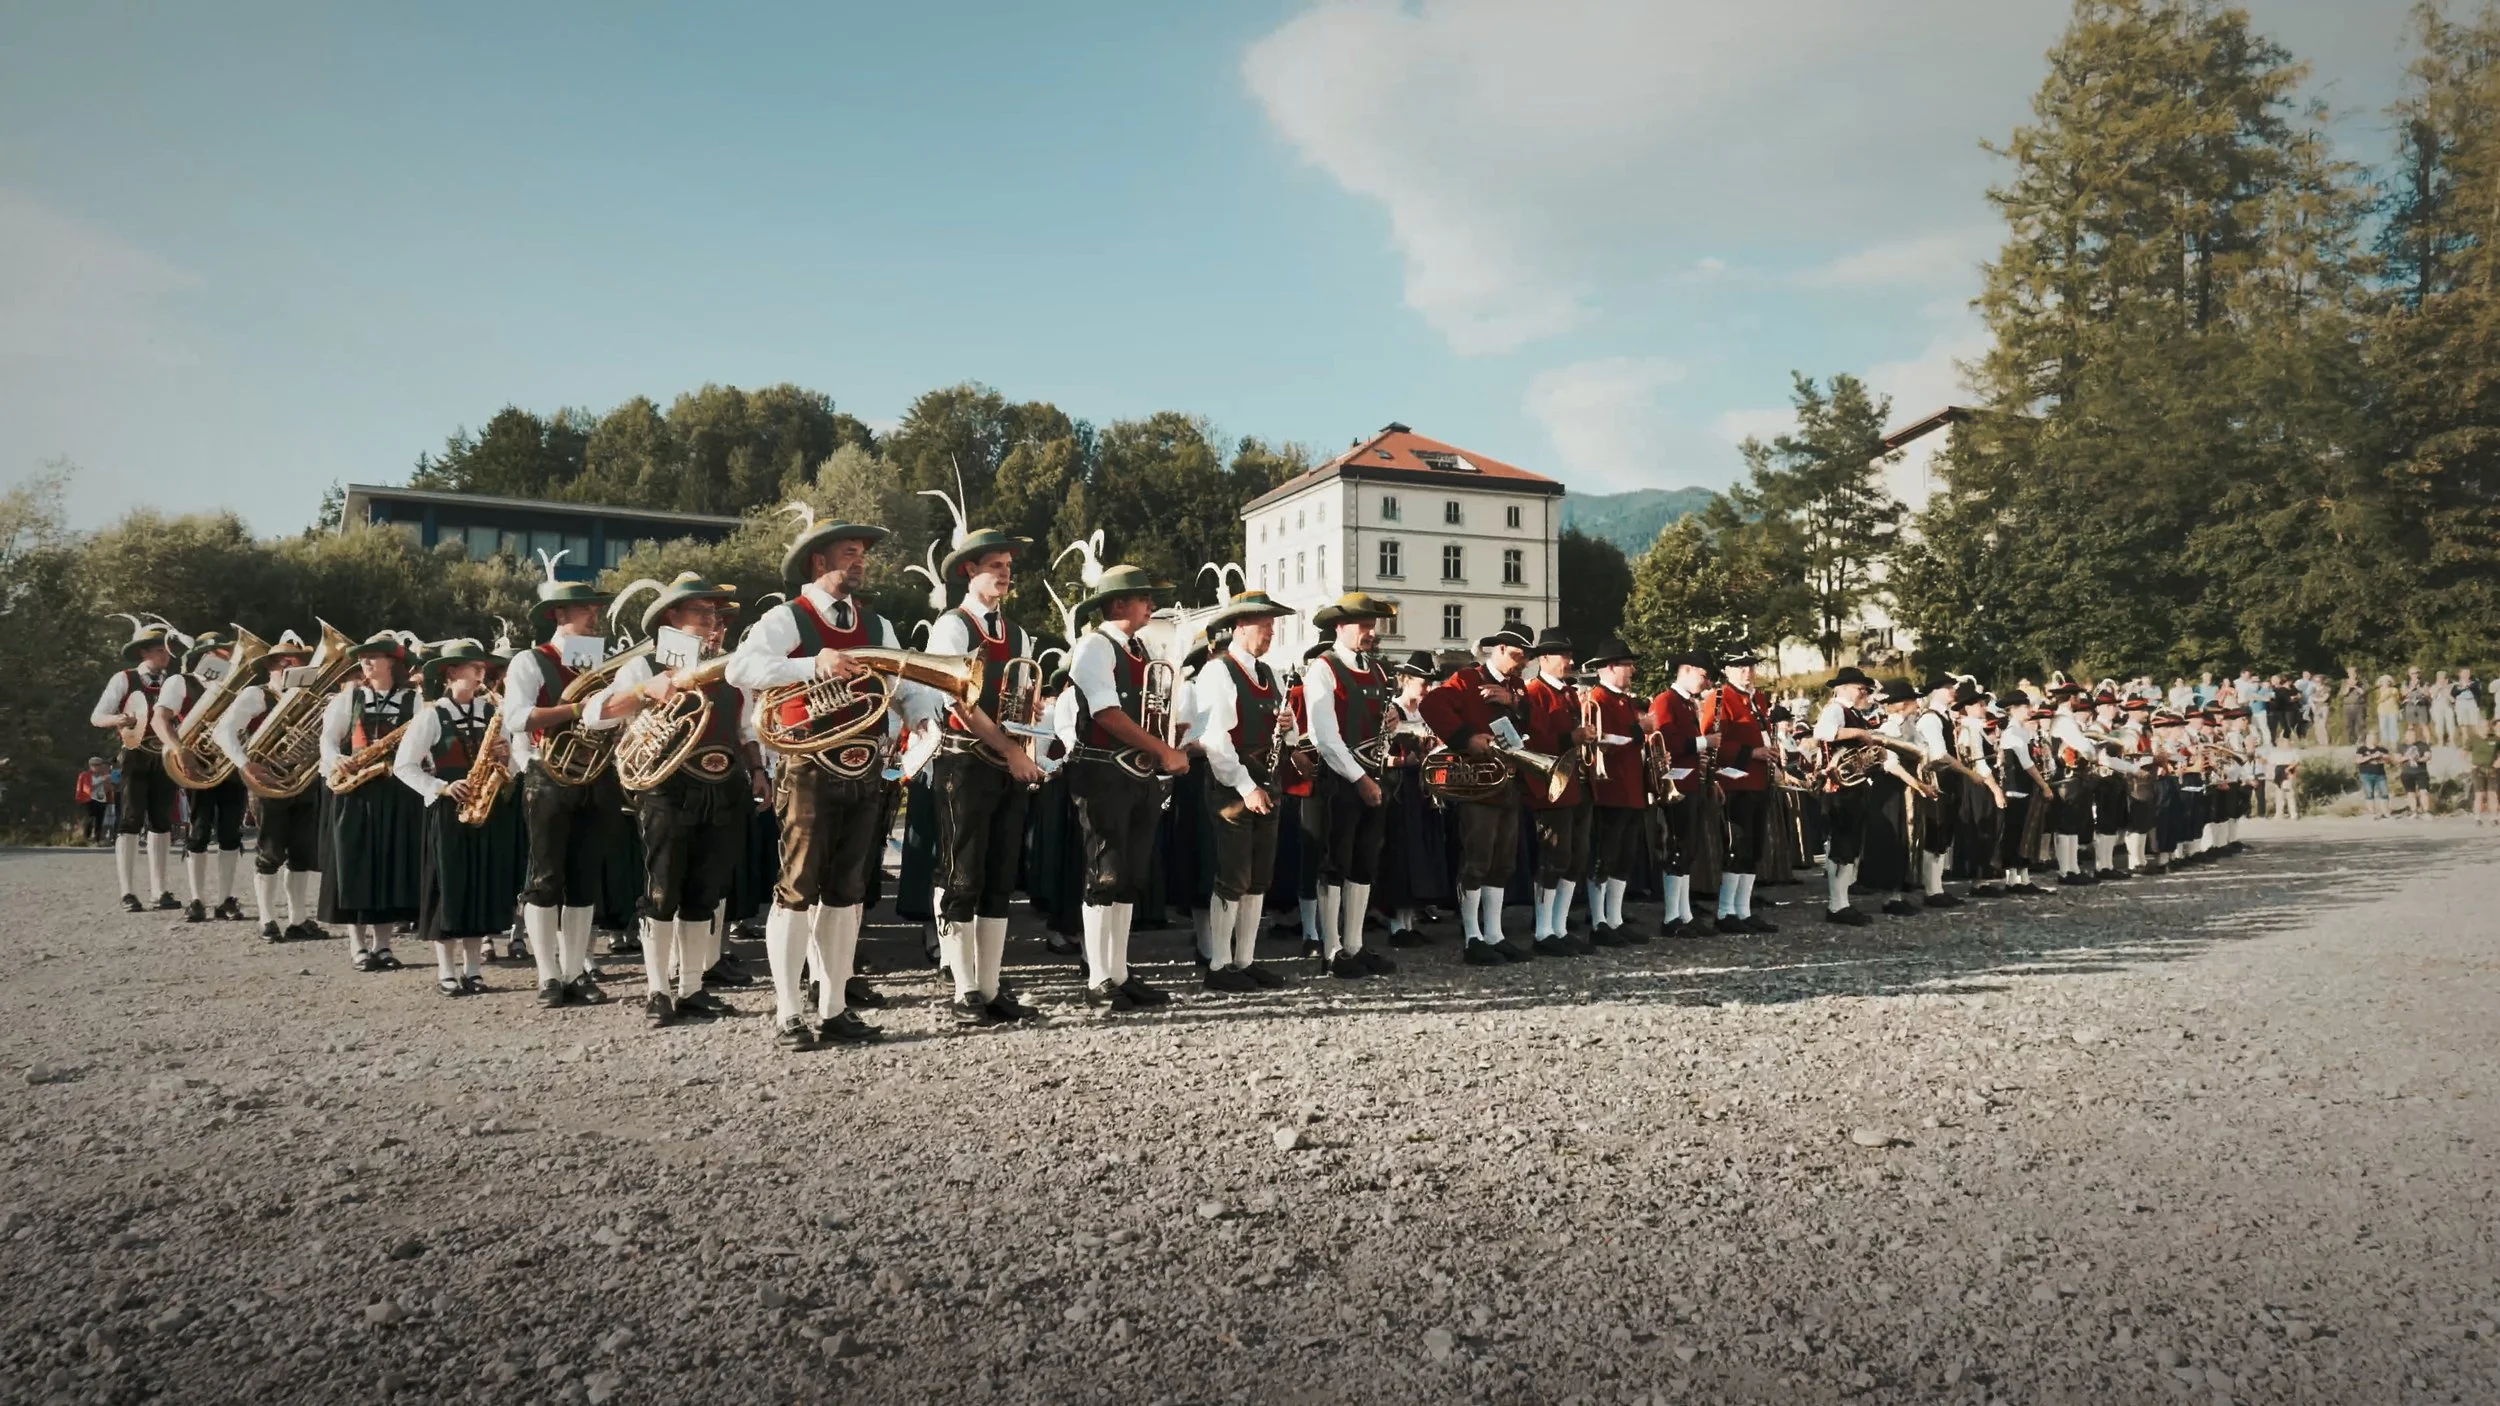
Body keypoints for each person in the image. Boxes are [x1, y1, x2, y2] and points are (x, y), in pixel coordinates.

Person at [727, 515, 949, 1047]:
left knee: (848, 892)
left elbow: (902, 682)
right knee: (797, 887)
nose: (860, 561)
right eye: (850, 552)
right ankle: (788, 1011)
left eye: (861, 553)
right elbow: (740, 670)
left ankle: (833, 1007)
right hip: (806, 763)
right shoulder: (787, 617)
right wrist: (812, 664)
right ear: (818, 560)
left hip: (864, 765)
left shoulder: (877, 625)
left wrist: (922, 717)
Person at [591, 574, 778, 1027]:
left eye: (714, 613)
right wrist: (642, 691)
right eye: (701, 611)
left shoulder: (731, 669)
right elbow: (595, 715)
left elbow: (745, 730)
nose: (711, 620)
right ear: (671, 617)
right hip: (667, 788)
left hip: (724, 785)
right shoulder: (643, 665)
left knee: (704, 891)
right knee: (661, 891)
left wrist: (757, 771)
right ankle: (657, 990)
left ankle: (691, 987)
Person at [916, 530, 1054, 1024]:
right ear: (969, 572)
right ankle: (963, 988)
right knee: (961, 873)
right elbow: (958, 703)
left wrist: (1029, 718)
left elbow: (1020, 697)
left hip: (1005, 762)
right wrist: (1012, 750)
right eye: (994, 565)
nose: (1005, 573)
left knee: (998, 877)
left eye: (1008, 566)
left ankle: (991, 986)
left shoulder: (1019, 634)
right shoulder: (951, 627)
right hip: (965, 762)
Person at [1049, 562, 1190, 1011]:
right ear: (1118, 604)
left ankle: (1118, 972)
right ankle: (1098, 978)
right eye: (1144, 597)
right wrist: (1163, 750)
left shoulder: (1140, 649)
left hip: (1136, 773)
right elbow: (1107, 714)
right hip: (1103, 773)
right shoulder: (1095, 645)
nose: (1151, 604)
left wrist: (1168, 735)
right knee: (1105, 873)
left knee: (1129, 877)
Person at [505, 566, 630, 1009]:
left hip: (598, 774)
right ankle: (548, 974)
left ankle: (575, 971)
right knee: (545, 879)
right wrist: (579, 709)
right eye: (585, 610)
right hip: (549, 774)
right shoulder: (530, 660)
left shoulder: (605, 664)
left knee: (584, 879)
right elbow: (516, 718)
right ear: (560, 615)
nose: (595, 617)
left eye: (595, 609)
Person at [391, 640, 523, 997]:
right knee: (447, 888)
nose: (482, 674)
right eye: (474, 667)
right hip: (448, 809)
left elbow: (513, 769)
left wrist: (507, 755)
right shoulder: (431, 715)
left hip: (486, 808)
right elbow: (403, 766)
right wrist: (441, 787)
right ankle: (446, 971)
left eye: (483, 668)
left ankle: (474, 970)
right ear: (451, 672)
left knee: (479, 886)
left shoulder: (492, 712)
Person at [1190, 590, 1302, 992]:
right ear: (1240, 626)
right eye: (1264, 624)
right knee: (1232, 875)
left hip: (1267, 782)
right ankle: (1219, 963)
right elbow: (1215, 739)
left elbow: (1287, 736)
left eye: (1272, 625)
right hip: (1234, 786)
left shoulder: (1269, 673)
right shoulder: (1218, 671)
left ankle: (1246, 959)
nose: (1271, 631)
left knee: (1259, 877)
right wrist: (1245, 786)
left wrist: (1288, 726)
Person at [1419, 623, 1537, 965]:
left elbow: (1530, 723)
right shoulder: (1468, 678)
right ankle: (1473, 936)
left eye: (1526, 657)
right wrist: (1465, 737)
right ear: (1498, 650)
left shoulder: (1515, 686)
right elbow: (1431, 705)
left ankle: (1494, 933)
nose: (1523, 662)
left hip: (1508, 781)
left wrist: (1514, 702)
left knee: (1503, 861)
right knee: (1478, 858)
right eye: (1518, 655)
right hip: (1478, 785)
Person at [1300, 593, 1402, 977]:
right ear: (1340, 627)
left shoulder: (1376, 670)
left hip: (1372, 775)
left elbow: (1379, 725)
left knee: (1364, 860)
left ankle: (1355, 945)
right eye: (1363, 625)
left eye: (1372, 625)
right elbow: (1324, 736)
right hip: (1340, 780)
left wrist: (1393, 721)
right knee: (1335, 862)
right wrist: (1359, 779)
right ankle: (1331, 950)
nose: (1370, 632)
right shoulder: (1323, 668)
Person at [319, 632, 426, 971]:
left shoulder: (415, 702)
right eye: (363, 657)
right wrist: (336, 759)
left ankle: (383, 945)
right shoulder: (349, 698)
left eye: (374, 656)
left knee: (390, 868)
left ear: (392, 662)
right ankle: (358, 946)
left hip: (396, 793)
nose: (365, 662)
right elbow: (328, 740)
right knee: (353, 867)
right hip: (355, 791)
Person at [215, 632, 323, 940]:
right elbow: (223, 732)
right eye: (283, 662)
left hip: (303, 780)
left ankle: (298, 920)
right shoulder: (256, 695)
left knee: (302, 852)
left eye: (297, 661)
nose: (290, 666)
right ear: (271, 666)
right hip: (268, 781)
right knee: (271, 852)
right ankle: (266, 919)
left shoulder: (310, 697)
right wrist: (244, 763)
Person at [155, 630, 250, 922]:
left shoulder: (238, 686)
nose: (229, 657)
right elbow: (160, 719)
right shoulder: (180, 682)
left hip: (230, 764)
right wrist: (178, 749)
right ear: (206, 655)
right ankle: (196, 899)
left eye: (229, 653)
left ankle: (225, 900)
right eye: (222, 652)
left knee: (231, 833)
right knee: (198, 830)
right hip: (196, 764)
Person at [91, 616, 182, 911]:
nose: (165, 655)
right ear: (144, 652)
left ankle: (160, 890)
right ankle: (127, 891)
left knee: (162, 821)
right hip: (134, 755)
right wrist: (119, 719)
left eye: (167, 650)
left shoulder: (174, 682)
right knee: (130, 819)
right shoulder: (124, 679)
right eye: (159, 650)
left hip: (164, 755)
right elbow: (97, 716)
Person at [1518, 627, 1595, 956]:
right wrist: (1571, 738)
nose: (1570, 661)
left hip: (1575, 783)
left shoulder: (1567, 693)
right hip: (1550, 786)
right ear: (1545, 659)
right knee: (1554, 858)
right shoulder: (1534, 692)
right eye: (1564, 655)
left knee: (1575, 858)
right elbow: (1534, 742)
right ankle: (1543, 930)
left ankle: (1559, 927)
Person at [1374, 652, 1451, 944]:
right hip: (1398, 791)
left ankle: (1408, 922)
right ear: (1405, 680)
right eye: (1423, 682)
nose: (1427, 688)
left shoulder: (1425, 714)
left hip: (1422, 791)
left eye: (1430, 683)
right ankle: (1397, 925)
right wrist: (1403, 761)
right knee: (1400, 856)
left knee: (1420, 856)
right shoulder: (1391, 711)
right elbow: (1377, 755)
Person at [1580, 639, 1647, 945]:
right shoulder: (1597, 698)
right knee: (1604, 855)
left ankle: (1615, 917)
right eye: (1626, 665)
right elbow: (1600, 741)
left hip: (1631, 787)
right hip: (1610, 788)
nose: (1631, 670)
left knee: (1624, 856)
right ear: (1610, 667)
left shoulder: (1624, 700)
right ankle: (1599, 920)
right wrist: (1638, 731)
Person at [1707, 648, 1777, 933]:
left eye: (1751, 666)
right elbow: (1713, 743)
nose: (1748, 672)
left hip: (1759, 781)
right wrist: (1752, 752)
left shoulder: (1757, 698)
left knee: (1753, 847)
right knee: (1737, 847)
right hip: (1735, 782)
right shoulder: (1720, 697)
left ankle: (1744, 909)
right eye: (1740, 667)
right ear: (1727, 670)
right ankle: (1726, 912)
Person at [1810, 667, 1886, 926]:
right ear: (1843, 688)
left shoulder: (1852, 712)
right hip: (1839, 787)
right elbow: (1822, 732)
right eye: (1859, 688)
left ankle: (1842, 902)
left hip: (1854, 784)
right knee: (1842, 846)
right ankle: (1837, 904)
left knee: (1850, 846)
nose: (1864, 693)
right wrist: (1861, 734)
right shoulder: (1835, 709)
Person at [1647, 653, 1712, 936]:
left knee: (1688, 849)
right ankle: (1672, 917)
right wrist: (1703, 743)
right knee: (1675, 848)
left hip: (1689, 782)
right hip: (1675, 784)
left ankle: (1684, 913)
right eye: (1703, 675)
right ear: (1685, 670)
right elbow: (1665, 742)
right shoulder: (1666, 700)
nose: (1705, 682)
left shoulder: (1686, 703)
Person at [77, 758, 113, 846]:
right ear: (90, 766)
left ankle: (97, 839)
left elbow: (108, 789)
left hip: (102, 800)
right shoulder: (85, 775)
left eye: (99, 765)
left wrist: (108, 785)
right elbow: (88, 789)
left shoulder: (104, 776)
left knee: (99, 820)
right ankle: (87, 837)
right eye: (95, 765)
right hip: (89, 800)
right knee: (90, 819)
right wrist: (102, 781)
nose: (98, 767)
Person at [2265, 735, 2301, 820]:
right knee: (2279, 794)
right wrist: (2271, 775)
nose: (2282, 743)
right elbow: (2271, 764)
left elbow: (2297, 761)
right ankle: (2279, 814)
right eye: (2280, 741)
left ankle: (2293, 814)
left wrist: (2289, 768)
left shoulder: (2293, 751)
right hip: (2278, 772)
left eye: (2284, 741)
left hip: (2289, 771)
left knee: (2290, 793)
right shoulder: (2275, 752)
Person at [2354, 741, 2392, 819]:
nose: (2373, 740)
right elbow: (2358, 760)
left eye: (2374, 738)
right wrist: (2372, 756)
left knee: (2384, 793)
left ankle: (2385, 812)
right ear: (2367, 739)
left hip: (2380, 775)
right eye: (2370, 738)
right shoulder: (2362, 749)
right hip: (2366, 775)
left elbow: (2388, 760)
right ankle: (2371, 813)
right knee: (2369, 794)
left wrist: (2382, 756)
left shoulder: (2382, 749)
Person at [2468, 726, 2498, 825]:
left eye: (2486, 727)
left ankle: (2493, 818)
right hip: (2478, 769)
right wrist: (2470, 763)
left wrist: (2499, 760)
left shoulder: (2495, 739)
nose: (2485, 729)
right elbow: (2464, 753)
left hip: (2492, 769)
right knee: (2479, 794)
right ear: (2478, 728)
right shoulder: (2473, 739)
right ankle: (2477, 817)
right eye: (2482, 727)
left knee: (2492, 794)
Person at [2399, 739, 2433, 817]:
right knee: (2410, 793)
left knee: (2424, 792)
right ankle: (2414, 812)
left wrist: (2418, 759)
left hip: (2421, 772)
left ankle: (2426, 811)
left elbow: (2428, 756)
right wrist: (2408, 757)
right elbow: (2397, 759)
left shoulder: (2423, 745)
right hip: (2407, 773)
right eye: (2409, 734)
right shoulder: (2402, 746)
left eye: (2413, 734)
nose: (2411, 736)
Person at [2456, 666, 2486, 740]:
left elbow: (2478, 693)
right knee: (2463, 723)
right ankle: (2465, 740)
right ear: (2460, 674)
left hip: (2471, 702)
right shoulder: (2456, 684)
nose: (2466, 675)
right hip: (2460, 702)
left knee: (2475, 721)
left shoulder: (2474, 682)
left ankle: (2480, 738)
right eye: (2464, 673)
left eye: (2468, 673)